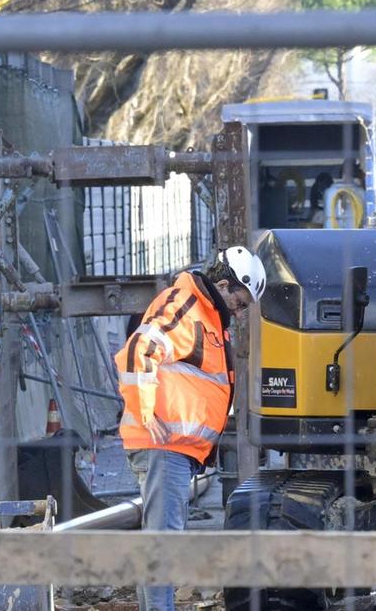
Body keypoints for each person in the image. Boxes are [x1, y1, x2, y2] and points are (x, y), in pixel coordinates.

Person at [115, 246, 267, 611]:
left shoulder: (206, 315)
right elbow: (140, 348)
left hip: (175, 450)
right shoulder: (187, 305)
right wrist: (148, 414)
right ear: (226, 285)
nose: (241, 312)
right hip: (165, 447)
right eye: (241, 303)